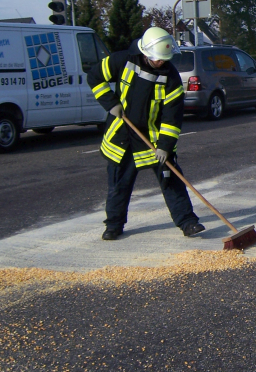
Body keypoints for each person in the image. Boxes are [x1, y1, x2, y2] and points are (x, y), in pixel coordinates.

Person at [87, 26, 205, 240]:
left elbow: (172, 117)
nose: (161, 62)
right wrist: (110, 103)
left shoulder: (171, 78)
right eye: (158, 58)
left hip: (153, 140)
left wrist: (165, 147)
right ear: (145, 52)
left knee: (172, 181)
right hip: (121, 137)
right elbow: (94, 77)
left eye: (164, 59)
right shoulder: (122, 60)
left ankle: (188, 222)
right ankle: (113, 225)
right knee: (118, 185)